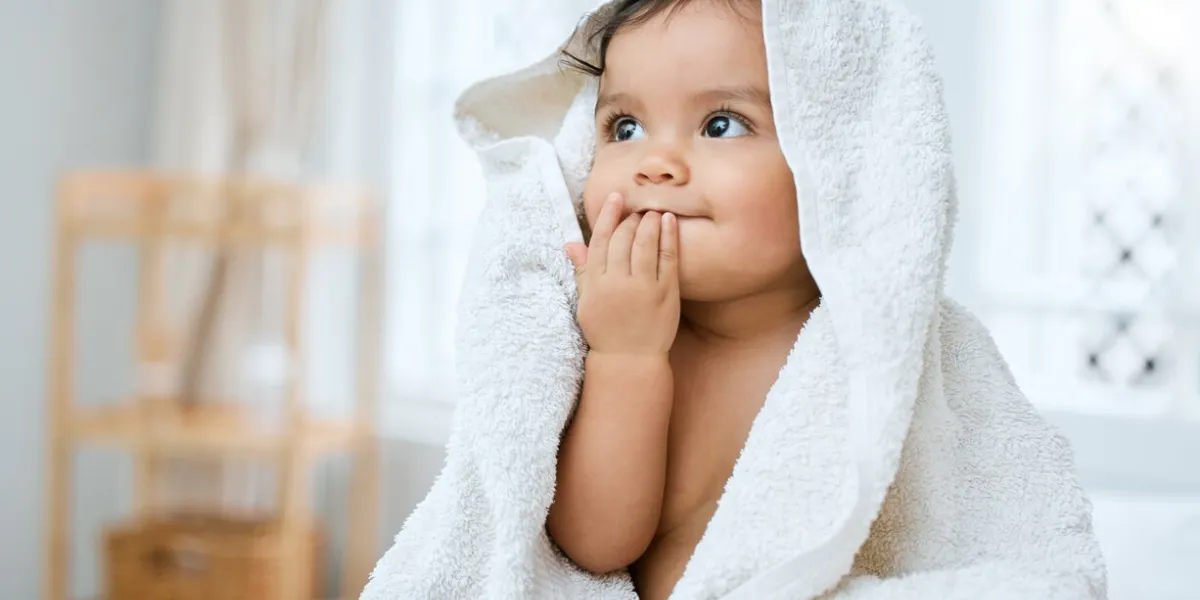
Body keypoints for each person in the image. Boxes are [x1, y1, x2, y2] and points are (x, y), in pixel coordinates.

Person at [549, 2, 822, 597]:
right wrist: (625, 356)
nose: (656, 165)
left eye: (721, 124)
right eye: (626, 128)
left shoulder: (869, 352)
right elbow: (594, 544)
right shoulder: (616, 330)